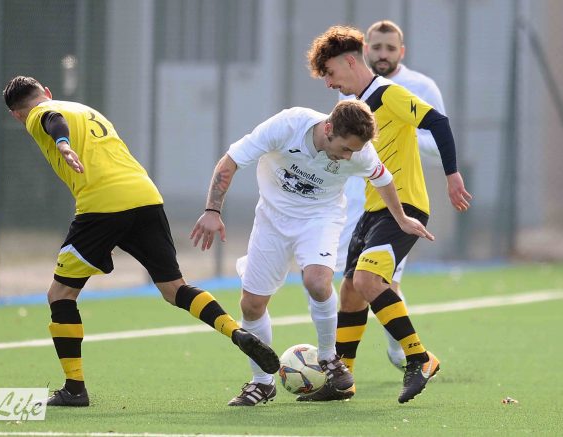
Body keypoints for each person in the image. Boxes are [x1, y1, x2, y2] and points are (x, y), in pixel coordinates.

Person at [2, 75, 280, 407]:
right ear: (47, 90)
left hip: (102, 205)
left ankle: (74, 389)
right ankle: (235, 331)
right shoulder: (85, 109)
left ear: (16, 115)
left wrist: (62, 144)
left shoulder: (38, 113)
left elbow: (52, 120)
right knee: (174, 288)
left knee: (60, 294)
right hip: (145, 196)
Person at [191, 99, 434, 407]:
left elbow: (383, 178)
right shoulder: (287, 125)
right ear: (328, 128)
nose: (348, 157)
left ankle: (330, 358)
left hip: (320, 218)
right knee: (251, 305)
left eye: (354, 151)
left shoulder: (359, 153)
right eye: (345, 149)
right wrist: (212, 210)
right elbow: (230, 162)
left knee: (318, 282)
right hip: (272, 220)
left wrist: (401, 218)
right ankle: (262, 382)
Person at [302, 25, 472, 404]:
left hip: (404, 206)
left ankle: (419, 358)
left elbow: (438, 122)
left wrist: (452, 176)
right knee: (350, 292)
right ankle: (343, 379)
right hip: (373, 209)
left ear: (350, 61)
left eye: (330, 72)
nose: (328, 82)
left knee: (367, 280)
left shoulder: (388, 93)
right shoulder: (357, 106)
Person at [338, 20, 450, 371]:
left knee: (379, 279)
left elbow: (438, 135)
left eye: (390, 48)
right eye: (377, 47)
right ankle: (339, 365)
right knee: (345, 283)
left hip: (398, 196)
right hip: (358, 197)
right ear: (365, 50)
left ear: (401, 52)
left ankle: (407, 354)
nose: (383, 54)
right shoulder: (350, 88)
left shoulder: (417, 87)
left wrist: (400, 129)